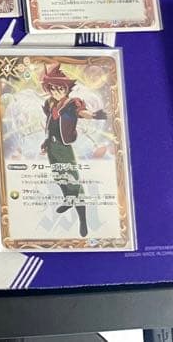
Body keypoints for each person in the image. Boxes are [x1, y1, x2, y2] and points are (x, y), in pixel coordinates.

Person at [40, 63, 107, 237]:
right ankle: (68, 200)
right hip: (52, 146)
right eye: (53, 88)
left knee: (74, 183)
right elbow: (52, 125)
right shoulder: (50, 104)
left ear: (66, 89)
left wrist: (95, 115)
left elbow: (82, 113)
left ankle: (83, 219)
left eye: (60, 88)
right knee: (59, 176)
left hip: (64, 148)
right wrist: (46, 142)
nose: (56, 92)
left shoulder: (71, 104)